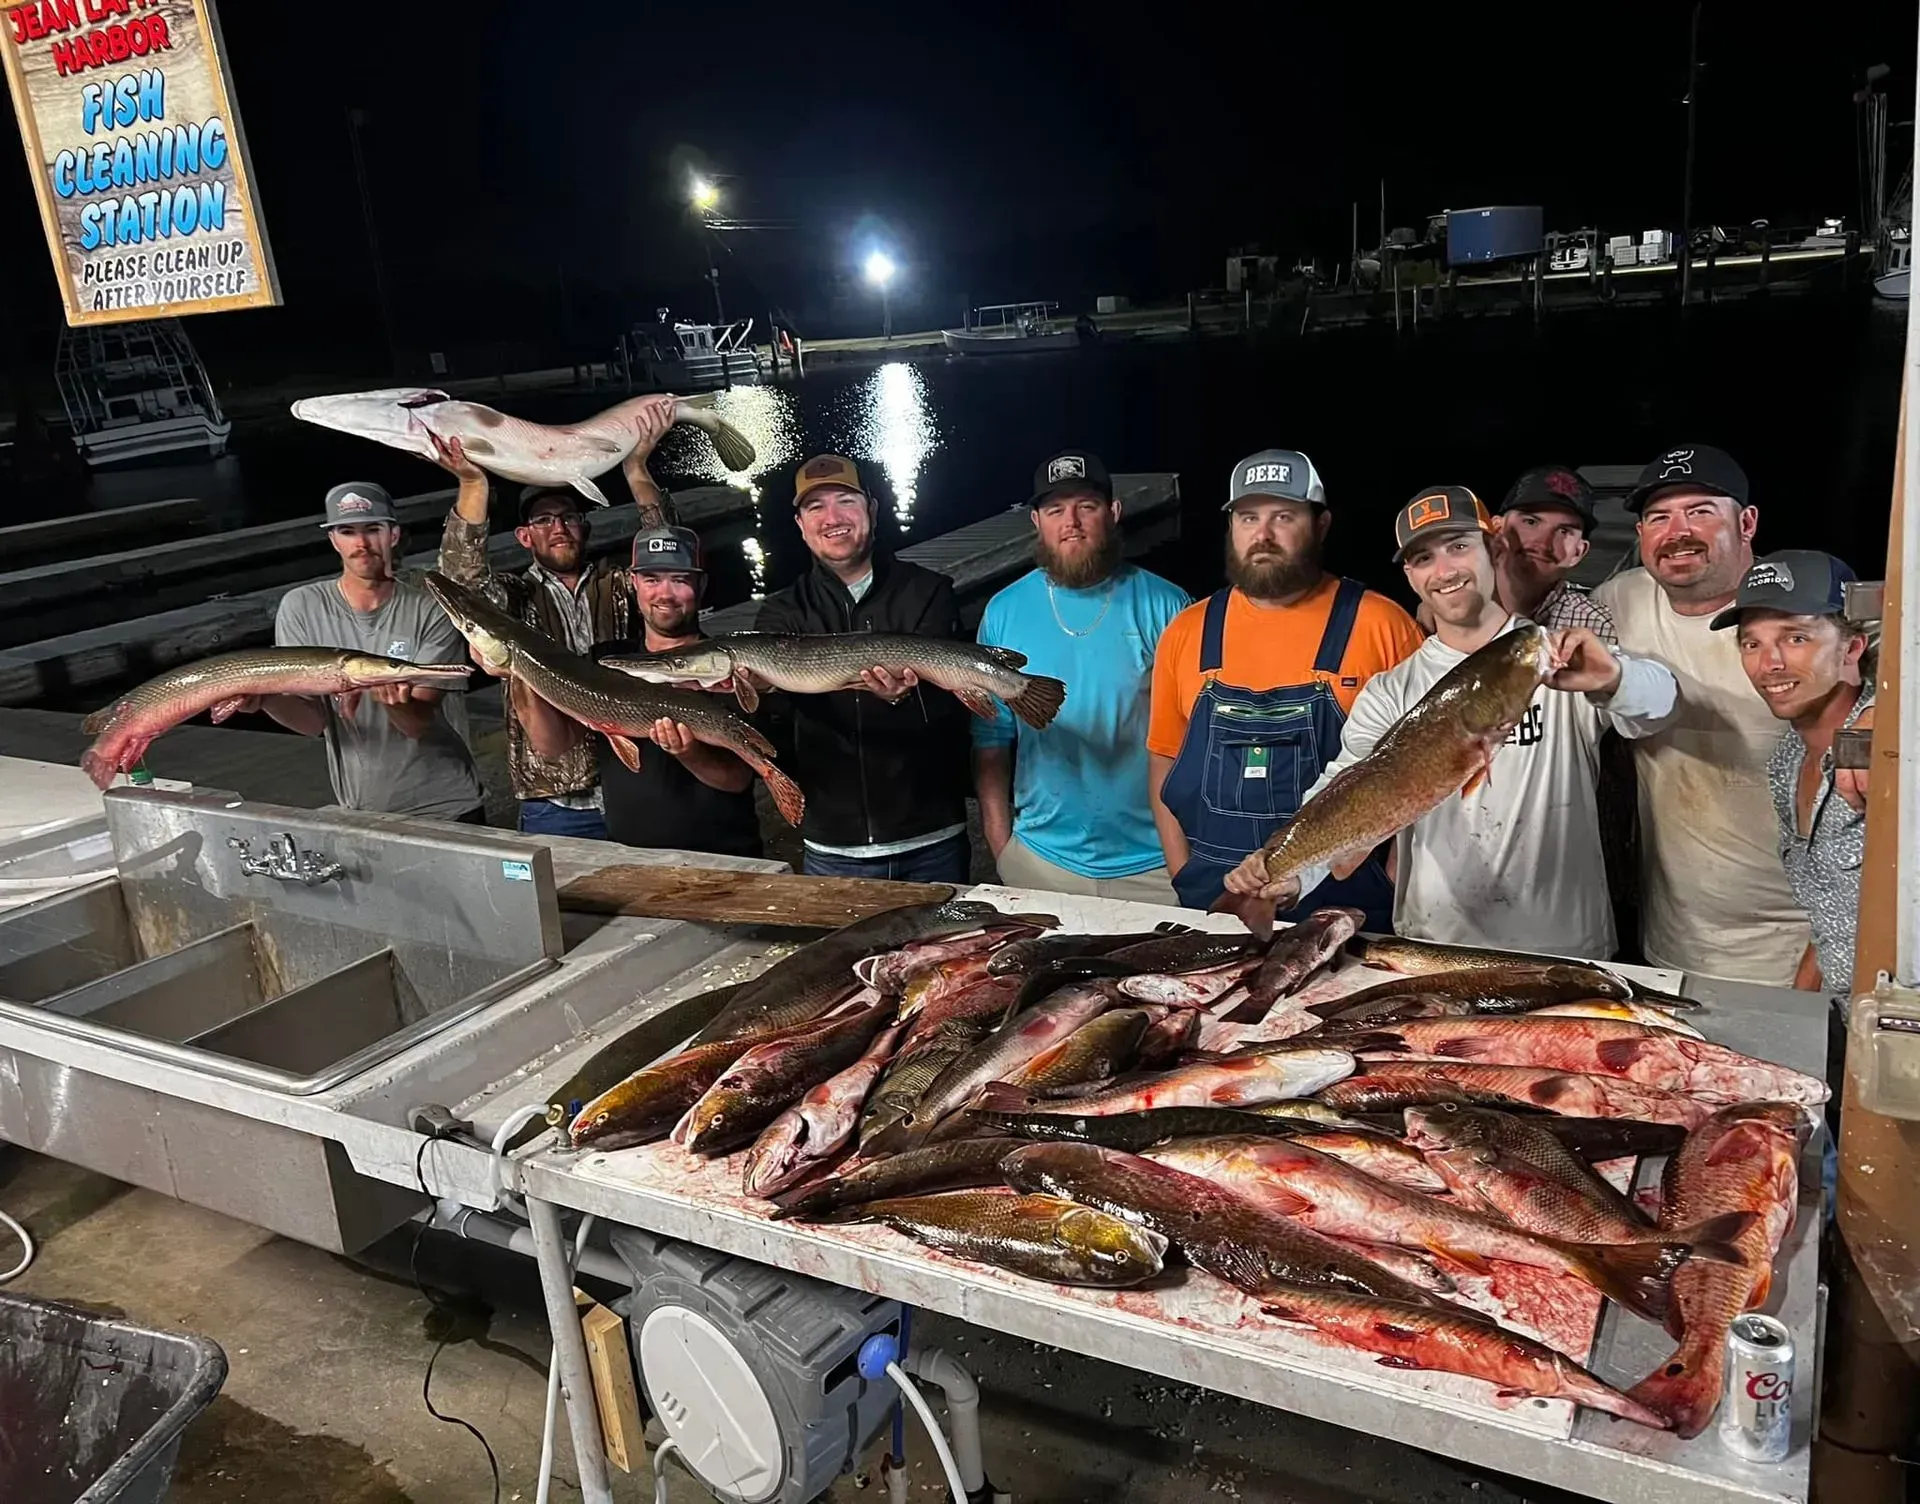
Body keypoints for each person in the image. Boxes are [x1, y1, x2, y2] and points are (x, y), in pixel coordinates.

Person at [1224, 486, 1680, 958]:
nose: (1444, 571)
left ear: (1496, 548)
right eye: (1423, 558)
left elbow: (1662, 703)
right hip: (1431, 943)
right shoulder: (1391, 689)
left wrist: (1614, 678)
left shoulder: (1553, 655)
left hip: (1562, 944)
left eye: (1459, 546)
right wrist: (1290, 871)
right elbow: (1344, 788)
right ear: (1410, 575)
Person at [1147, 449, 1425, 924]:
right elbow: (1164, 761)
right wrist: (1182, 872)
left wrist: (1395, 882)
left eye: (1284, 516)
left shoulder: (1382, 625)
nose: (1263, 534)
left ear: (1321, 525)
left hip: (1348, 898)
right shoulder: (1188, 631)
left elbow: (1422, 771)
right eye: (1248, 517)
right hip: (1217, 894)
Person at [1592, 444, 1812, 984]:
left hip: (1801, 945)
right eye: (1659, 517)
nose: (1678, 531)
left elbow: (1886, 669)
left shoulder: (1803, 609)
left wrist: (1875, 722)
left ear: (1747, 523)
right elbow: (1531, 630)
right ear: (1641, 534)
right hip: (1671, 942)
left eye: (1701, 511)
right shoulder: (1620, 602)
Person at [433, 394, 678, 839]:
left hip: (634, 781)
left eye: (568, 516)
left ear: (584, 526)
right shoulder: (512, 596)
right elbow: (462, 579)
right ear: (525, 536)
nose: (559, 527)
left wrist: (637, 469)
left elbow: (666, 553)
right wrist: (473, 485)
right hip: (553, 796)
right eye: (544, 520)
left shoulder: (619, 584)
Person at [974, 451, 1189, 901]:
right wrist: (1002, 848)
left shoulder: (1170, 606)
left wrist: (1185, 861)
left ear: (1113, 513)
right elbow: (991, 741)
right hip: (1040, 860)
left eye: (1086, 506)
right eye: (1055, 510)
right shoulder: (1003, 611)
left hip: (1154, 864)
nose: (1070, 521)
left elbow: (1197, 739)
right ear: (1036, 520)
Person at [756, 455, 971, 882]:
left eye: (845, 501)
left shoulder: (928, 591)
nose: (832, 518)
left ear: (871, 509)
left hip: (931, 834)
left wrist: (904, 699)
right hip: (834, 844)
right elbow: (778, 726)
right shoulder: (781, 613)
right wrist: (755, 695)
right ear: (800, 523)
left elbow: (954, 711)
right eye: (815, 507)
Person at [513, 527, 762, 858]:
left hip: (724, 857)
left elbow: (737, 779)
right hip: (631, 860)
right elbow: (553, 744)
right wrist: (519, 668)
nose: (665, 593)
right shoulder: (606, 661)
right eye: (652, 579)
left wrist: (690, 753)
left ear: (701, 585)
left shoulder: (728, 670)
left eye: (679, 579)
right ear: (633, 583)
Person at [261, 482, 484, 821]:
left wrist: (394, 703)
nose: (362, 544)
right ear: (333, 540)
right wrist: (262, 698)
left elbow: (416, 726)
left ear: (393, 535)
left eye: (373, 530)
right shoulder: (300, 607)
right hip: (362, 810)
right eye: (348, 531)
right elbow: (313, 722)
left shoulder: (431, 607)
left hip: (448, 805)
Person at [1716, 551, 1872, 995]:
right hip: (1847, 1021)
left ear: (1852, 648)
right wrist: (1799, 1012)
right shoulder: (1787, 759)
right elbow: (1833, 910)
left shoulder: (1891, 750)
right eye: (1752, 644)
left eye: (1796, 638)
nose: (1771, 665)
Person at [1489, 465, 1617, 641]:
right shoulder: (1451, 600)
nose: (1543, 543)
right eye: (1531, 522)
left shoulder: (1594, 625)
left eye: (1564, 531)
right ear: (1497, 529)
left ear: (1578, 552)